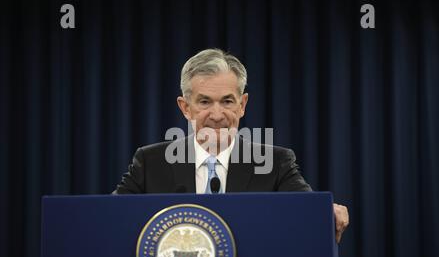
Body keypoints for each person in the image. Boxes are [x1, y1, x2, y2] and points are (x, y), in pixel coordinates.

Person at [113, 48, 349, 243]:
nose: (217, 115)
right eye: (204, 102)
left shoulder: (276, 163)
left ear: (242, 104)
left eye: (227, 101)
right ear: (185, 107)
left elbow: (308, 212)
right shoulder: (150, 162)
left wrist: (326, 212)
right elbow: (109, 218)